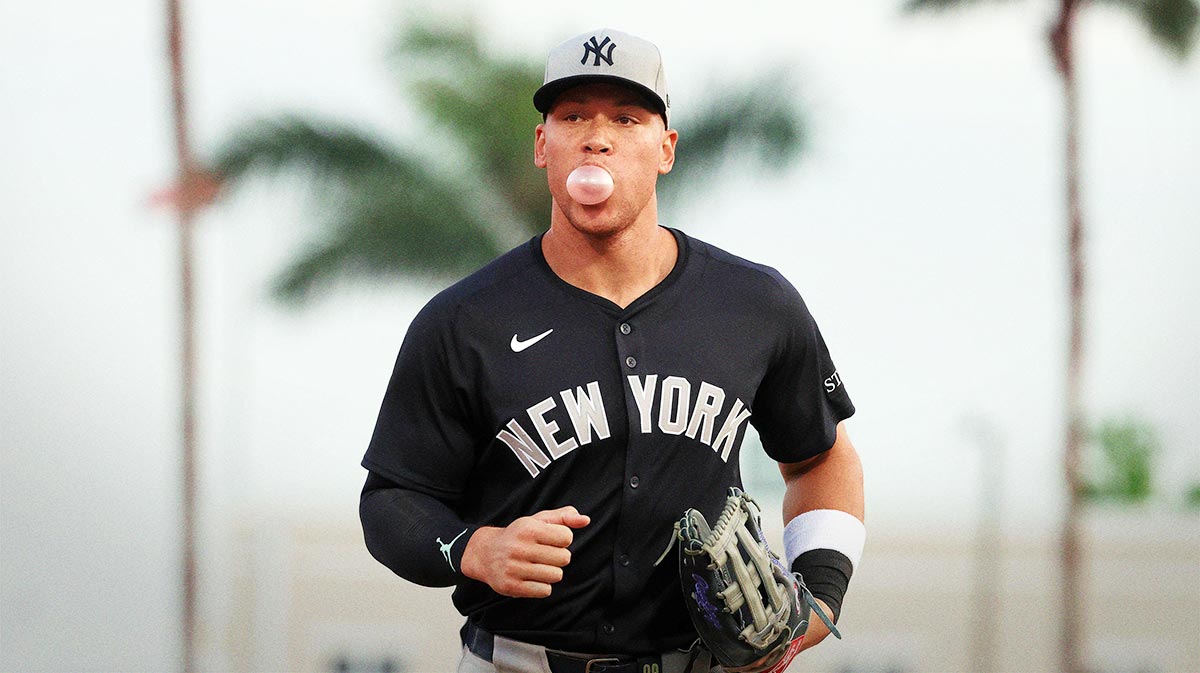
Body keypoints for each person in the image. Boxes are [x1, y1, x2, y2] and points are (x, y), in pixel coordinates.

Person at [359, 27, 865, 673]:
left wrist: (820, 598)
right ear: (544, 146)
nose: (597, 137)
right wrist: (474, 548)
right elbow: (391, 498)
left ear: (666, 148)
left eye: (626, 118)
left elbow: (821, 457)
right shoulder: (464, 321)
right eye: (573, 116)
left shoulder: (754, 304)